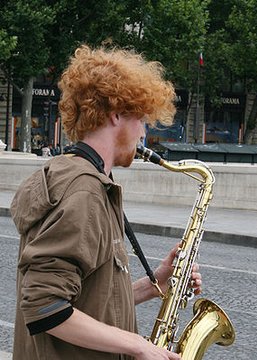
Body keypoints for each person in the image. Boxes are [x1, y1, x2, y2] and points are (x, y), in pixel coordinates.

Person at [10, 45, 202, 360]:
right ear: (116, 114)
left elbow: (89, 299)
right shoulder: (83, 191)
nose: (143, 132)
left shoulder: (79, 178)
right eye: (141, 118)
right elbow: (44, 305)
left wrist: (157, 284)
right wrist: (140, 346)